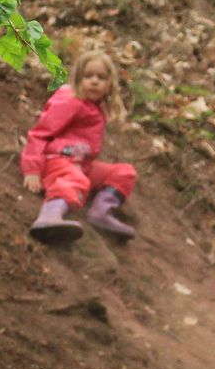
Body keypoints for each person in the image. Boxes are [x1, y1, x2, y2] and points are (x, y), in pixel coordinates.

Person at [21, 48, 136, 245]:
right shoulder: (69, 100)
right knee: (77, 180)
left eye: (101, 77)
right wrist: (32, 169)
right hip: (57, 160)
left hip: (81, 164)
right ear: (77, 78)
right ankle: (49, 216)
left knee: (124, 172)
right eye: (88, 76)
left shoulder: (95, 107)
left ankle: (101, 212)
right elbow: (41, 133)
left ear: (109, 84)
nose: (94, 81)